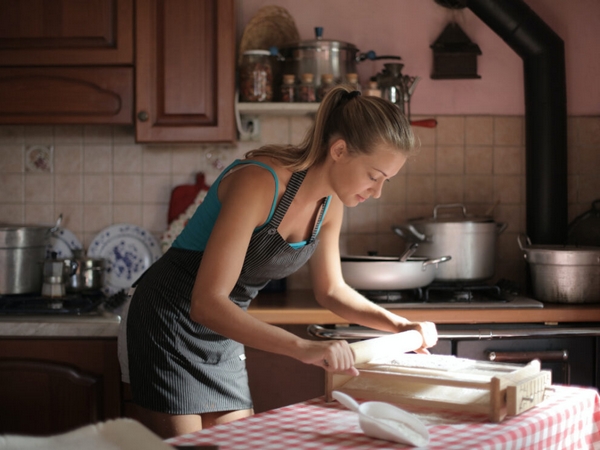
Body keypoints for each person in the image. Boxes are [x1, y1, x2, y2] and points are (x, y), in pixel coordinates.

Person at [118, 85, 438, 439]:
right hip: (168, 319)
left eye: (385, 182)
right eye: (374, 176)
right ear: (340, 150)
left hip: (223, 327)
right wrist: (304, 348)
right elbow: (206, 302)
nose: (376, 191)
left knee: (234, 445)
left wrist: (399, 325)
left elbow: (331, 290)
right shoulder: (260, 182)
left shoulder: (330, 206)